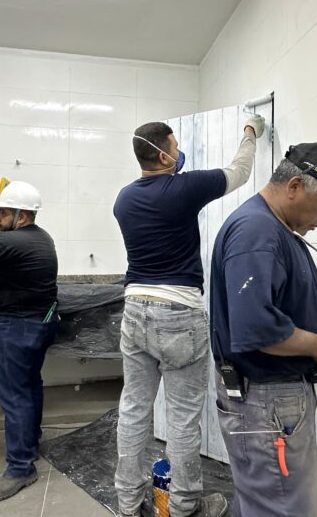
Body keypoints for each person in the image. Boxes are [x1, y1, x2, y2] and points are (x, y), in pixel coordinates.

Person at [209, 143, 317, 517]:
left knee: (267, 502)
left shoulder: (270, 226)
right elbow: (255, 326)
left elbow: (277, 299)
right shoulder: (257, 231)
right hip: (267, 403)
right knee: (283, 509)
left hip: (266, 403)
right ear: (295, 186)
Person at [112, 116, 265, 517]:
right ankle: (184, 507)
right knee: (182, 418)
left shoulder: (123, 199)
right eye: (175, 146)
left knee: (133, 409)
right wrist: (249, 133)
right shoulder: (183, 187)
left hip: (134, 309)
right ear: (163, 153)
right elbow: (240, 172)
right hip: (178, 314)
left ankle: (127, 504)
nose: (180, 152)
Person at [0, 181, 59, 503]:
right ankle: (30, 443)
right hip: (44, 324)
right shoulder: (43, 237)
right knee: (30, 385)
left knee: (15, 395)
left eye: (3, 213)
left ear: (22, 216)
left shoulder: (4, 242)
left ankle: (20, 469)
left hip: (18, 328)